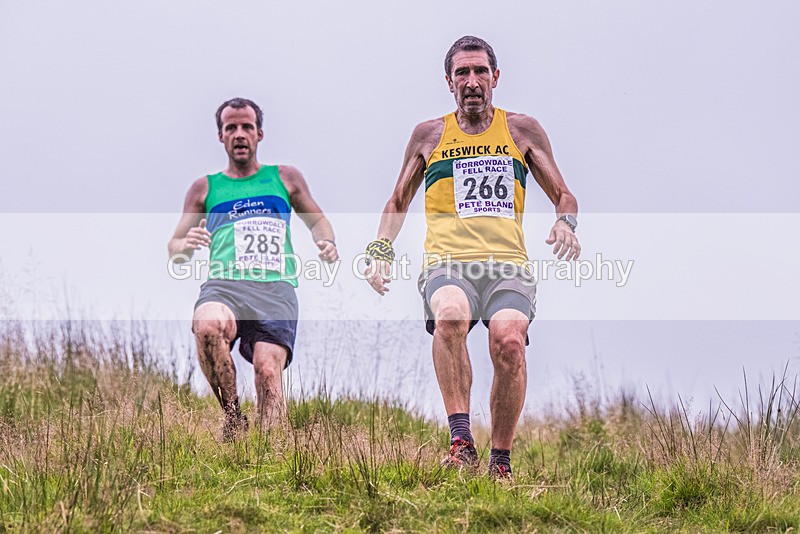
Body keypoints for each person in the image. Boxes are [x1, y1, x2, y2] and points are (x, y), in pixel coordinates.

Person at [365, 36, 580, 479]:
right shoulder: (429, 135)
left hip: (507, 266)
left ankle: (499, 461)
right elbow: (397, 200)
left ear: (496, 78)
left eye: (480, 71)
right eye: (462, 73)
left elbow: (564, 194)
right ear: (449, 82)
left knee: (509, 342)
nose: (472, 81)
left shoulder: (522, 130)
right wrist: (380, 248)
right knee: (449, 317)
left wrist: (566, 222)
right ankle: (461, 442)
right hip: (448, 261)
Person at [169, 98, 338, 440]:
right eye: (231, 128)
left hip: (275, 288)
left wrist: (327, 242)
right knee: (206, 327)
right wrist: (185, 246)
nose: (239, 134)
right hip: (225, 285)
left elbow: (318, 220)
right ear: (221, 137)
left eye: (247, 127)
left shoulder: (285, 178)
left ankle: (269, 453)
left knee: (267, 371)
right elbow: (175, 247)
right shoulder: (205, 188)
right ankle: (233, 418)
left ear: (260, 133)